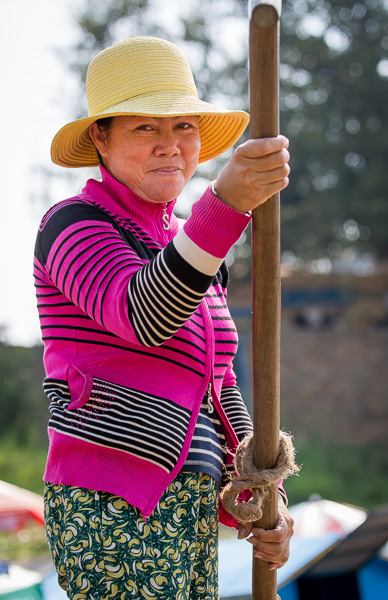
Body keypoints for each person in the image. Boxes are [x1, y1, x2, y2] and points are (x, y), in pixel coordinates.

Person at [35, 36, 293, 600]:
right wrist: (225, 206)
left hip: (192, 507)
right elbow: (145, 314)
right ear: (100, 137)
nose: (170, 146)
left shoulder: (192, 248)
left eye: (183, 127)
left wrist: (262, 494)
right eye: (145, 128)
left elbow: (218, 387)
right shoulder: (72, 226)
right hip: (109, 504)